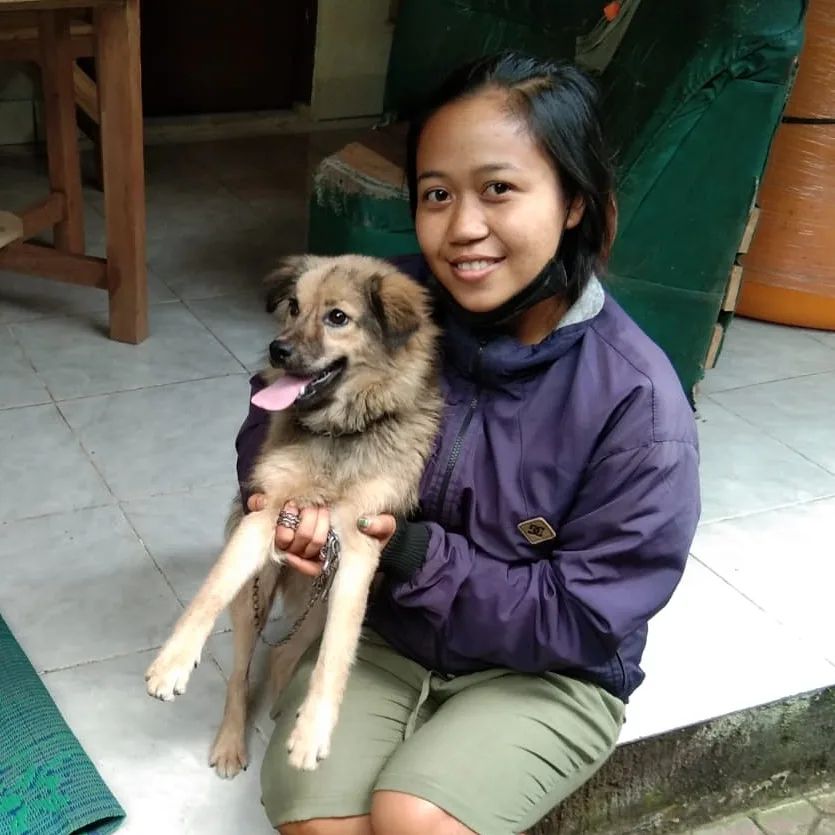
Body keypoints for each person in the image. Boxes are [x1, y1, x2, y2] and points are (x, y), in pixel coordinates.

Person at [237, 51, 701, 835]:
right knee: (312, 812)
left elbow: (585, 615)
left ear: (575, 201)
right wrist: (288, 502)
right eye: (435, 194)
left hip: (551, 668)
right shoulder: (386, 302)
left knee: (413, 817)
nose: (462, 228)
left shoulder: (635, 401)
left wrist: (413, 554)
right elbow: (277, 404)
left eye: (498, 189)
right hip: (391, 632)